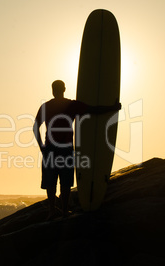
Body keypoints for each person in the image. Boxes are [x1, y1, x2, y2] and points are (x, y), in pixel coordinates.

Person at [33, 80, 121, 219]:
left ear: (52, 90)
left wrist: (42, 147)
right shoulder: (71, 105)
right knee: (65, 181)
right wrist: (112, 107)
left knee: (51, 182)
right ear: (64, 89)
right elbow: (94, 110)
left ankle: (51, 211)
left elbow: (35, 126)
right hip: (65, 149)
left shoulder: (46, 106)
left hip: (50, 148)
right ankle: (63, 212)